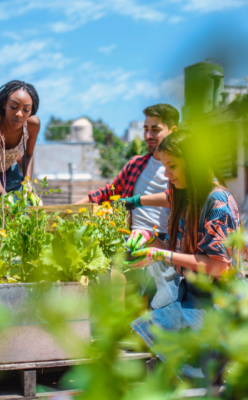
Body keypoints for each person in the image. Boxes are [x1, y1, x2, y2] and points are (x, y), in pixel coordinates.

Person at [125, 129, 244, 380]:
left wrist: (159, 254)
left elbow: (216, 267)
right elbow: (178, 248)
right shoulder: (188, 198)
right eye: (165, 166)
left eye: (173, 166)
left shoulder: (217, 202)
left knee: (187, 363)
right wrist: (149, 238)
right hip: (192, 293)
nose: (166, 174)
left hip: (220, 302)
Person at [76, 104, 179, 310]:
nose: (148, 135)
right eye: (145, 129)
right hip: (129, 238)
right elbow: (107, 193)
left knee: (135, 283)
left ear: (173, 131)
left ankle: (132, 329)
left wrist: (136, 200)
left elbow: (181, 198)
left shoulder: (180, 168)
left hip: (163, 242)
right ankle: (119, 329)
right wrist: (69, 209)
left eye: (155, 129)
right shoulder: (136, 164)